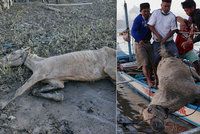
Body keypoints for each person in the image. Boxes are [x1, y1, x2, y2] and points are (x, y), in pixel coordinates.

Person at [148, 0, 179, 67]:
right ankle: (155, 75)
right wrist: (158, 35)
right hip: (157, 41)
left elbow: (173, 30)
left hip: (169, 41)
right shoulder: (156, 13)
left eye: (169, 6)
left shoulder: (172, 16)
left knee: (176, 55)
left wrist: (165, 39)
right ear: (161, 5)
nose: (167, 8)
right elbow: (150, 25)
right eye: (165, 6)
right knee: (155, 59)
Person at [131, 3, 155, 87]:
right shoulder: (138, 19)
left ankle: (155, 79)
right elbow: (133, 31)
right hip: (140, 43)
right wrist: (139, 39)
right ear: (141, 11)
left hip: (148, 43)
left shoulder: (151, 17)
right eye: (144, 11)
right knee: (144, 63)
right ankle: (149, 81)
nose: (146, 13)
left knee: (153, 62)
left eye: (148, 11)